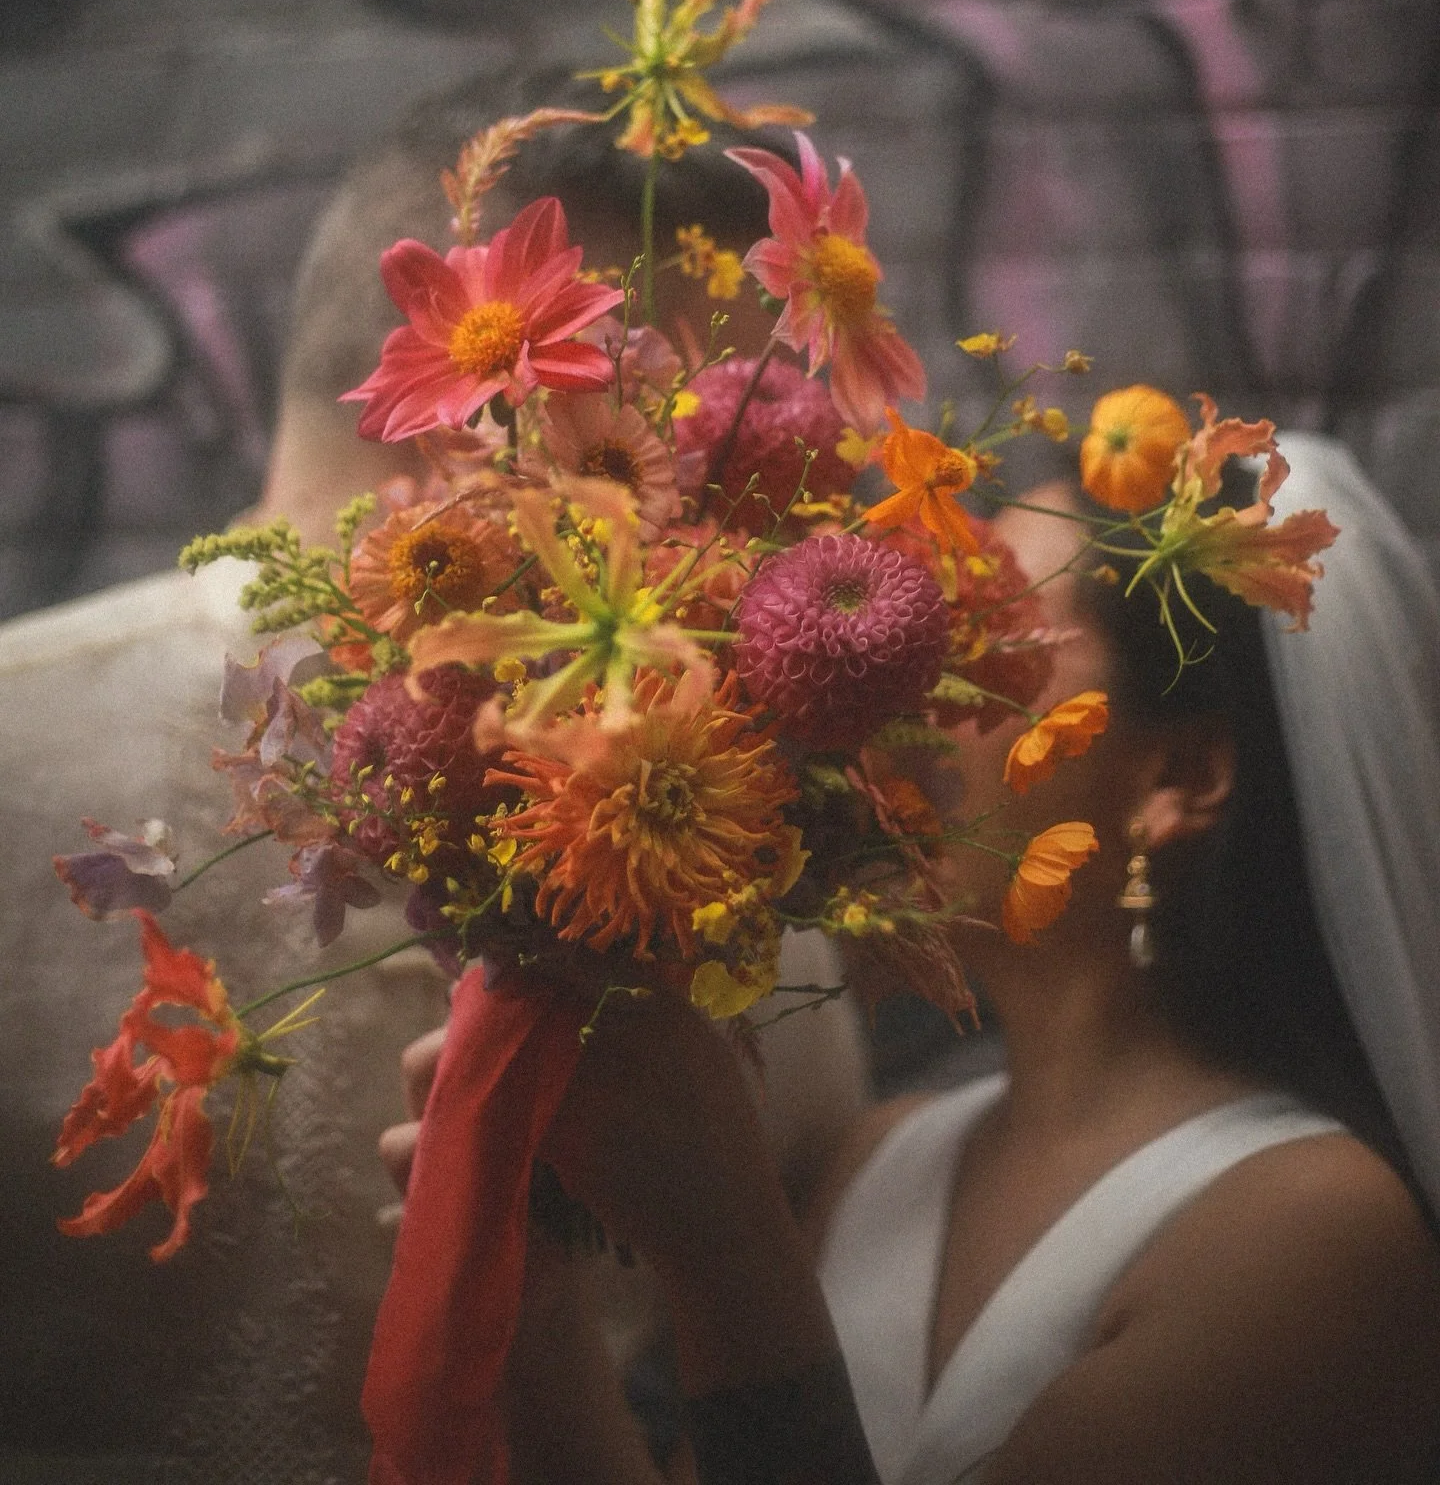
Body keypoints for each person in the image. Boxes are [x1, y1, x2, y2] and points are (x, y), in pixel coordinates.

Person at [0, 70, 863, 1484]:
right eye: (697, 412)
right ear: (497, 383)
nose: (727, 477)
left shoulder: (747, 864)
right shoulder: (760, 890)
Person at [387, 433, 1440, 1483]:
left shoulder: (1315, 1231)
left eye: (994, 641)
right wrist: (529, 1302)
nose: (905, 703)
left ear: (1178, 778)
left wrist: (727, 1249)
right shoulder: (879, 1161)